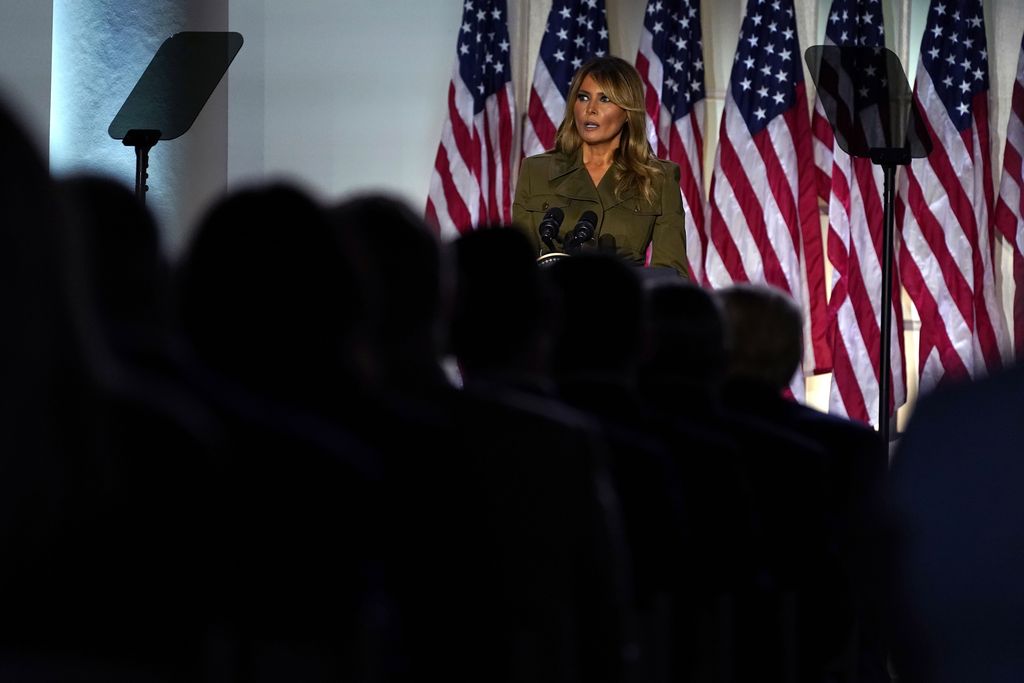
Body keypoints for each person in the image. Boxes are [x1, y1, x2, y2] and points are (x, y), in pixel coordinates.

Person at [512, 56, 689, 278]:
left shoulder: (659, 178)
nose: (590, 109)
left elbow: (671, 277)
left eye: (605, 99)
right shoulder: (535, 171)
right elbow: (517, 268)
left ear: (627, 113)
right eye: (583, 97)